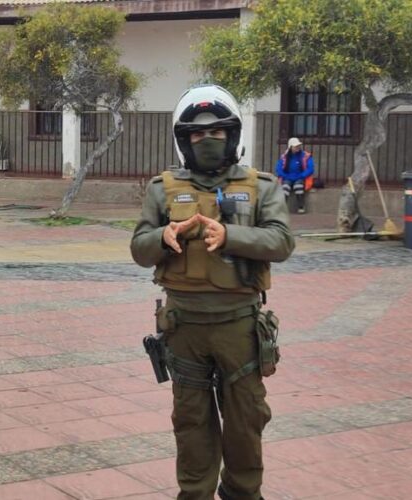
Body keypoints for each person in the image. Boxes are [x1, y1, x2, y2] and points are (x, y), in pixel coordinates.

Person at [130, 84, 294, 500]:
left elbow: (281, 242)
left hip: (240, 328)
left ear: (233, 136)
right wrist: (164, 236)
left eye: (217, 132)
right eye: (198, 134)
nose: (207, 140)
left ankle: (242, 493)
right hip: (184, 327)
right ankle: (196, 493)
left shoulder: (262, 186)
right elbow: (138, 248)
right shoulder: (161, 189)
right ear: (184, 140)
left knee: (245, 421)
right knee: (191, 423)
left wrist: (232, 235)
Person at [275, 137, 314, 214]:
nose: (298, 147)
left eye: (298, 145)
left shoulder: (305, 155)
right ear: (290, 147)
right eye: (295, 146)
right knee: (285, 187)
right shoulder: (284, 157)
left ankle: (301, 207)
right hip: (287, 177)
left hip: (300, 177)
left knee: (298, 186)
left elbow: (310, 168)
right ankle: (282, 208)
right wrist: (286, 176)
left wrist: (301, 176)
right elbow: (278, 169)